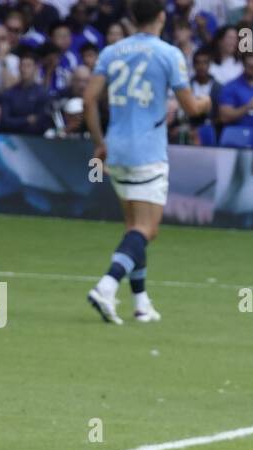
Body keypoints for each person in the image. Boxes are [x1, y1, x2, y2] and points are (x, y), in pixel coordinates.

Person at [83, 0, 211, 325]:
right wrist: (206, 100)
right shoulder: (169, 54)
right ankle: (107, 285)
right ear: (161, 17)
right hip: (148, 152)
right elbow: (192, 108)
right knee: (147, 229)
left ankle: (141, 303)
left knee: (133, 228)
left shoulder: (112, 51)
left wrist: (99, 142)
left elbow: (88, 99)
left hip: (116, 149)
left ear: (132, 17)